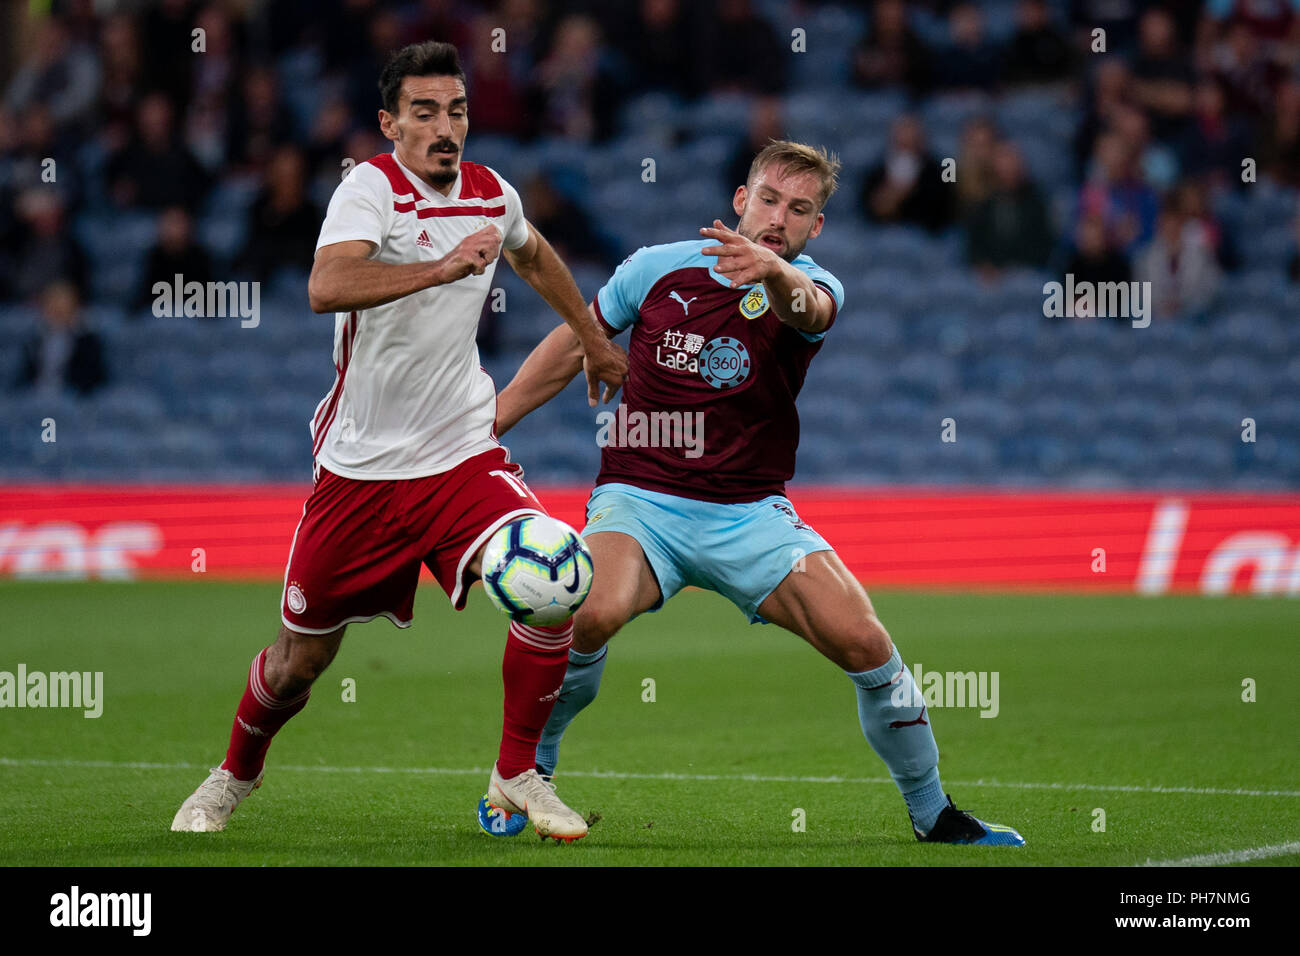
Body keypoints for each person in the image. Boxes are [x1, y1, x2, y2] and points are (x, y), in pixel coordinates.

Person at [483, 141, 1025, 846]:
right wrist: (487, 426)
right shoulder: (656, 268)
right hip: (640, 500)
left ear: (815, 227)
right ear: (741, 199)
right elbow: (572, 342)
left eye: (799, 210)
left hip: (749, 514)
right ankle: (531, 769)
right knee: (586, 613)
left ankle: (933, 813)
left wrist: (774, 269)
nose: (779, 218)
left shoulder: (812, 284)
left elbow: (807, 311)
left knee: (865, 642)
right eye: (768, 199)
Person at [171, 40, 627, 842]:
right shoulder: (368, 192)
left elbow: (534, 254)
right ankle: (233, 774)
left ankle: (518, 772)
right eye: (424, 113)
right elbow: (326, 286)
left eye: (455, 110)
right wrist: (442, 270)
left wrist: (589, 335)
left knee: (557, 576)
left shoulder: (492, 194)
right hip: (360, 471)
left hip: (460, 453)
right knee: (298, 664)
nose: (445, 127)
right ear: (390, 124)